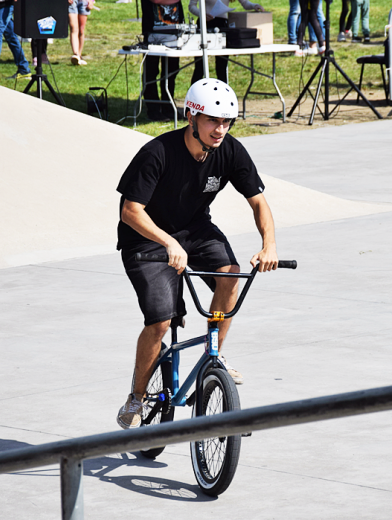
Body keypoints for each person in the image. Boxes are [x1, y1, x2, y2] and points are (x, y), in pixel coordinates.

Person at [115, 79, 279, 429]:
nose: (220, 129)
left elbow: (258, 201)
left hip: (195, 230)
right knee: (159, 322)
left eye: (227, 122)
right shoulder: (157, 153)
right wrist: (167, 243)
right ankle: (137, 397)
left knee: (231, 274)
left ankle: (212, 353)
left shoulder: (230, 150)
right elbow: (130, 211)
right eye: (212, 121)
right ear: (191, 116)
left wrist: (270, 245)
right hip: (145, 240)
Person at [188, 0, 262, 85]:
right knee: (200, 66)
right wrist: (202, 14)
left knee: (222, 65)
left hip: (223, 25)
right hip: (205, 24)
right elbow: (192, 6)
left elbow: (245, 3)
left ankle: (223, 94)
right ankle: (194, 93)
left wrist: (255, 6)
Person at [141, 0, 185, 121]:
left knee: (171, 72)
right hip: (152, 35)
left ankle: (168, 107)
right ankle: (153, 110)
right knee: (151, 72)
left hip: (174, 36)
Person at [68, 0, 92, 65]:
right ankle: (76, 54)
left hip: (84, 2)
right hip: (72, 2)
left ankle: (79, 55)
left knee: (81, 30)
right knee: (73, 28)